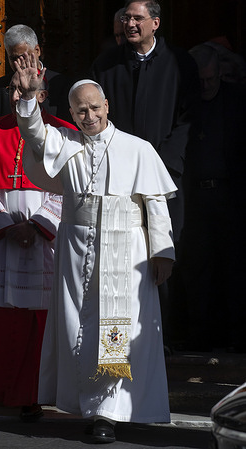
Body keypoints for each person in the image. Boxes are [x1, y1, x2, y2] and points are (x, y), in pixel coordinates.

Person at [15, 52, 177, 444]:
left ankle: (110, 409)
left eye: (93, 108)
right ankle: (89, 404)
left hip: (125, 251)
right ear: (70, 113)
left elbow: (155, 203)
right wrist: (28, 98)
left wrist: (163, 252)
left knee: (115, 328)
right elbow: (34, 133)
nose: (88, 116)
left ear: (107, 106)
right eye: (79, 110)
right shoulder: (65, 143)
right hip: (76, 250)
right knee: (79, 327)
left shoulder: (137, 148)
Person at [0, 72, 77, 420]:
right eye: (11, 89)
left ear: (41, 97)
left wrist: (38, 225)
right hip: (0, 245)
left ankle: (34, 392)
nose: (15, 95)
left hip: (44, 246)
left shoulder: (61, 134)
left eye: (23, 90)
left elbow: (70, 189)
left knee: (38, 320)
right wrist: (6, 227)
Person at [89, 0, 201, 348]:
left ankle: (168, 338)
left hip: (166, 178)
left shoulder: (180, 63)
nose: (130, 23)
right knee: (122, 256)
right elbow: (95, 117)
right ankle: (121, 343)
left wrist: (160, 163)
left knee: (165, 254)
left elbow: (189, 118)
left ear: (155, 23)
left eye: (137, 18)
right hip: (119, 181)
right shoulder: (107, 65)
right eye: (126, 18)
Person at [177, 44, 246, 351]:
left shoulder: (237, 103)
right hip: (194, 199)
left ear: (219, 73)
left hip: (230, 196)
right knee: (196, 267)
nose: (206, 86)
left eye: (211, 80)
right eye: (201, 81)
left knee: (234, 267)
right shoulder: (186, 105)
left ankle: (237, 336)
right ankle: (198, 336)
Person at [0, 24, 70, 123]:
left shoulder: (61, 84)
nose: (19, 63)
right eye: (13, 58)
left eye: (23, 57)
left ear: (37, 50)